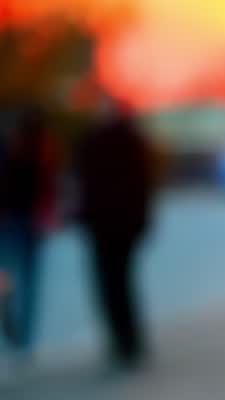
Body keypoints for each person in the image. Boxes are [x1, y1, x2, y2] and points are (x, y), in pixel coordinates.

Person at [74, 96, 154, 369]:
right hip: (125, 227)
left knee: (110, 284)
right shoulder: (135, 142)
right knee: (123, 282)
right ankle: (129, 339)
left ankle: (121, 340)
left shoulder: (94, 142)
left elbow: (85, 186)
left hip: (104, 227)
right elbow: (144, 189)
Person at [0, 107, 57, 356]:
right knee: (28, 281)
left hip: (14, 221)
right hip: (26, 222)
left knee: (11, 277)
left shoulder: (12, 149)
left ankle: (16, 328)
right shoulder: (43, 151)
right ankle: (23, 336)